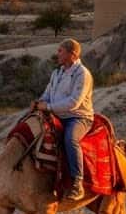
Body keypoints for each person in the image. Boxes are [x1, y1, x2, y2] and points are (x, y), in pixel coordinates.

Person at [34, 39, 94, 200]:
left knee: (70, 139)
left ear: (72, 54)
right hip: (57, 114)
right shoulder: (57, 73)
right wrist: (39, 103)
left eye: (60, 51)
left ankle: (77, 183)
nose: (57, 54)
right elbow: (48, 93)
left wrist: (48, 107)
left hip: (78, 117)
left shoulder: (83, 74)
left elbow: (74, 103)